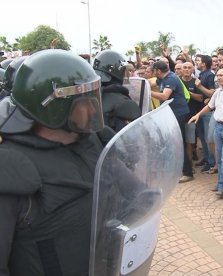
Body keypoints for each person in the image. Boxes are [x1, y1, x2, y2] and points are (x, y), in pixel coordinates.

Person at [0, 49, 108, 275]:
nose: (93, 109)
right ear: (53, 107)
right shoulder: (9, 169)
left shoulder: (91, 141)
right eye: (84, 101)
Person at [189, 69, 223, 199]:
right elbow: (209, 106)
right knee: (219, 158)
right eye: (217, 75)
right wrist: (198, 115)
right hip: (218, 127)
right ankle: (221, 183)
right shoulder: (218, 92)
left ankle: (222, 187)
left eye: (221, 75)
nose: (218, 78)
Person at [151, 60, 193, 183]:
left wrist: (148, 92)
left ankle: (188, 172)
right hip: (172, 114)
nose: (153, 73)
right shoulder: (163, 78)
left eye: (154, 71)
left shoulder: (171, 79)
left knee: (179, 142)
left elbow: (164, 96)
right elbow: (152, 81)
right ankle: (177, 169)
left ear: (158, 71)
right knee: (172, 142)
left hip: (179, 114)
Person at [93, 49, 141, 132]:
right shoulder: (125, 104)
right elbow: (134, 138)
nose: (128, 74)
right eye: (126, 71)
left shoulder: (88, 99)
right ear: (120, 71)